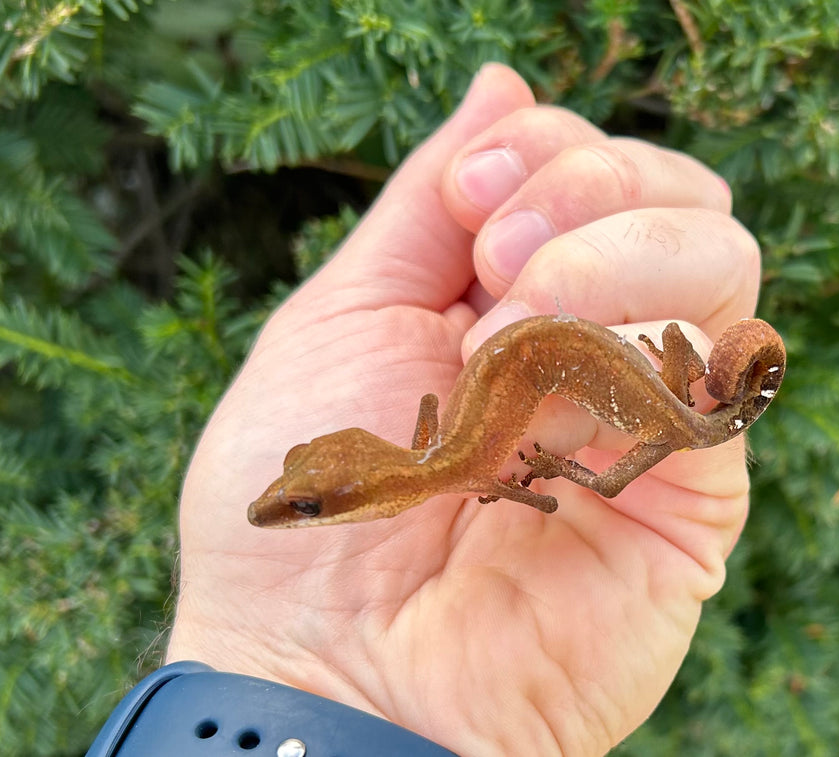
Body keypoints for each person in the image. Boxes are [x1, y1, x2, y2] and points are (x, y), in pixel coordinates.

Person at [97, 63, 764, 755]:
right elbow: (492, 467)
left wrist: (530, 473)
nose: (275, 510)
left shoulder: (450, 468)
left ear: (381, 493)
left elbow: (522, 490)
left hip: (598, 389)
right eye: (308, 498)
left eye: (310, 504)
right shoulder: (442, 464)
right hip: (561, 383)